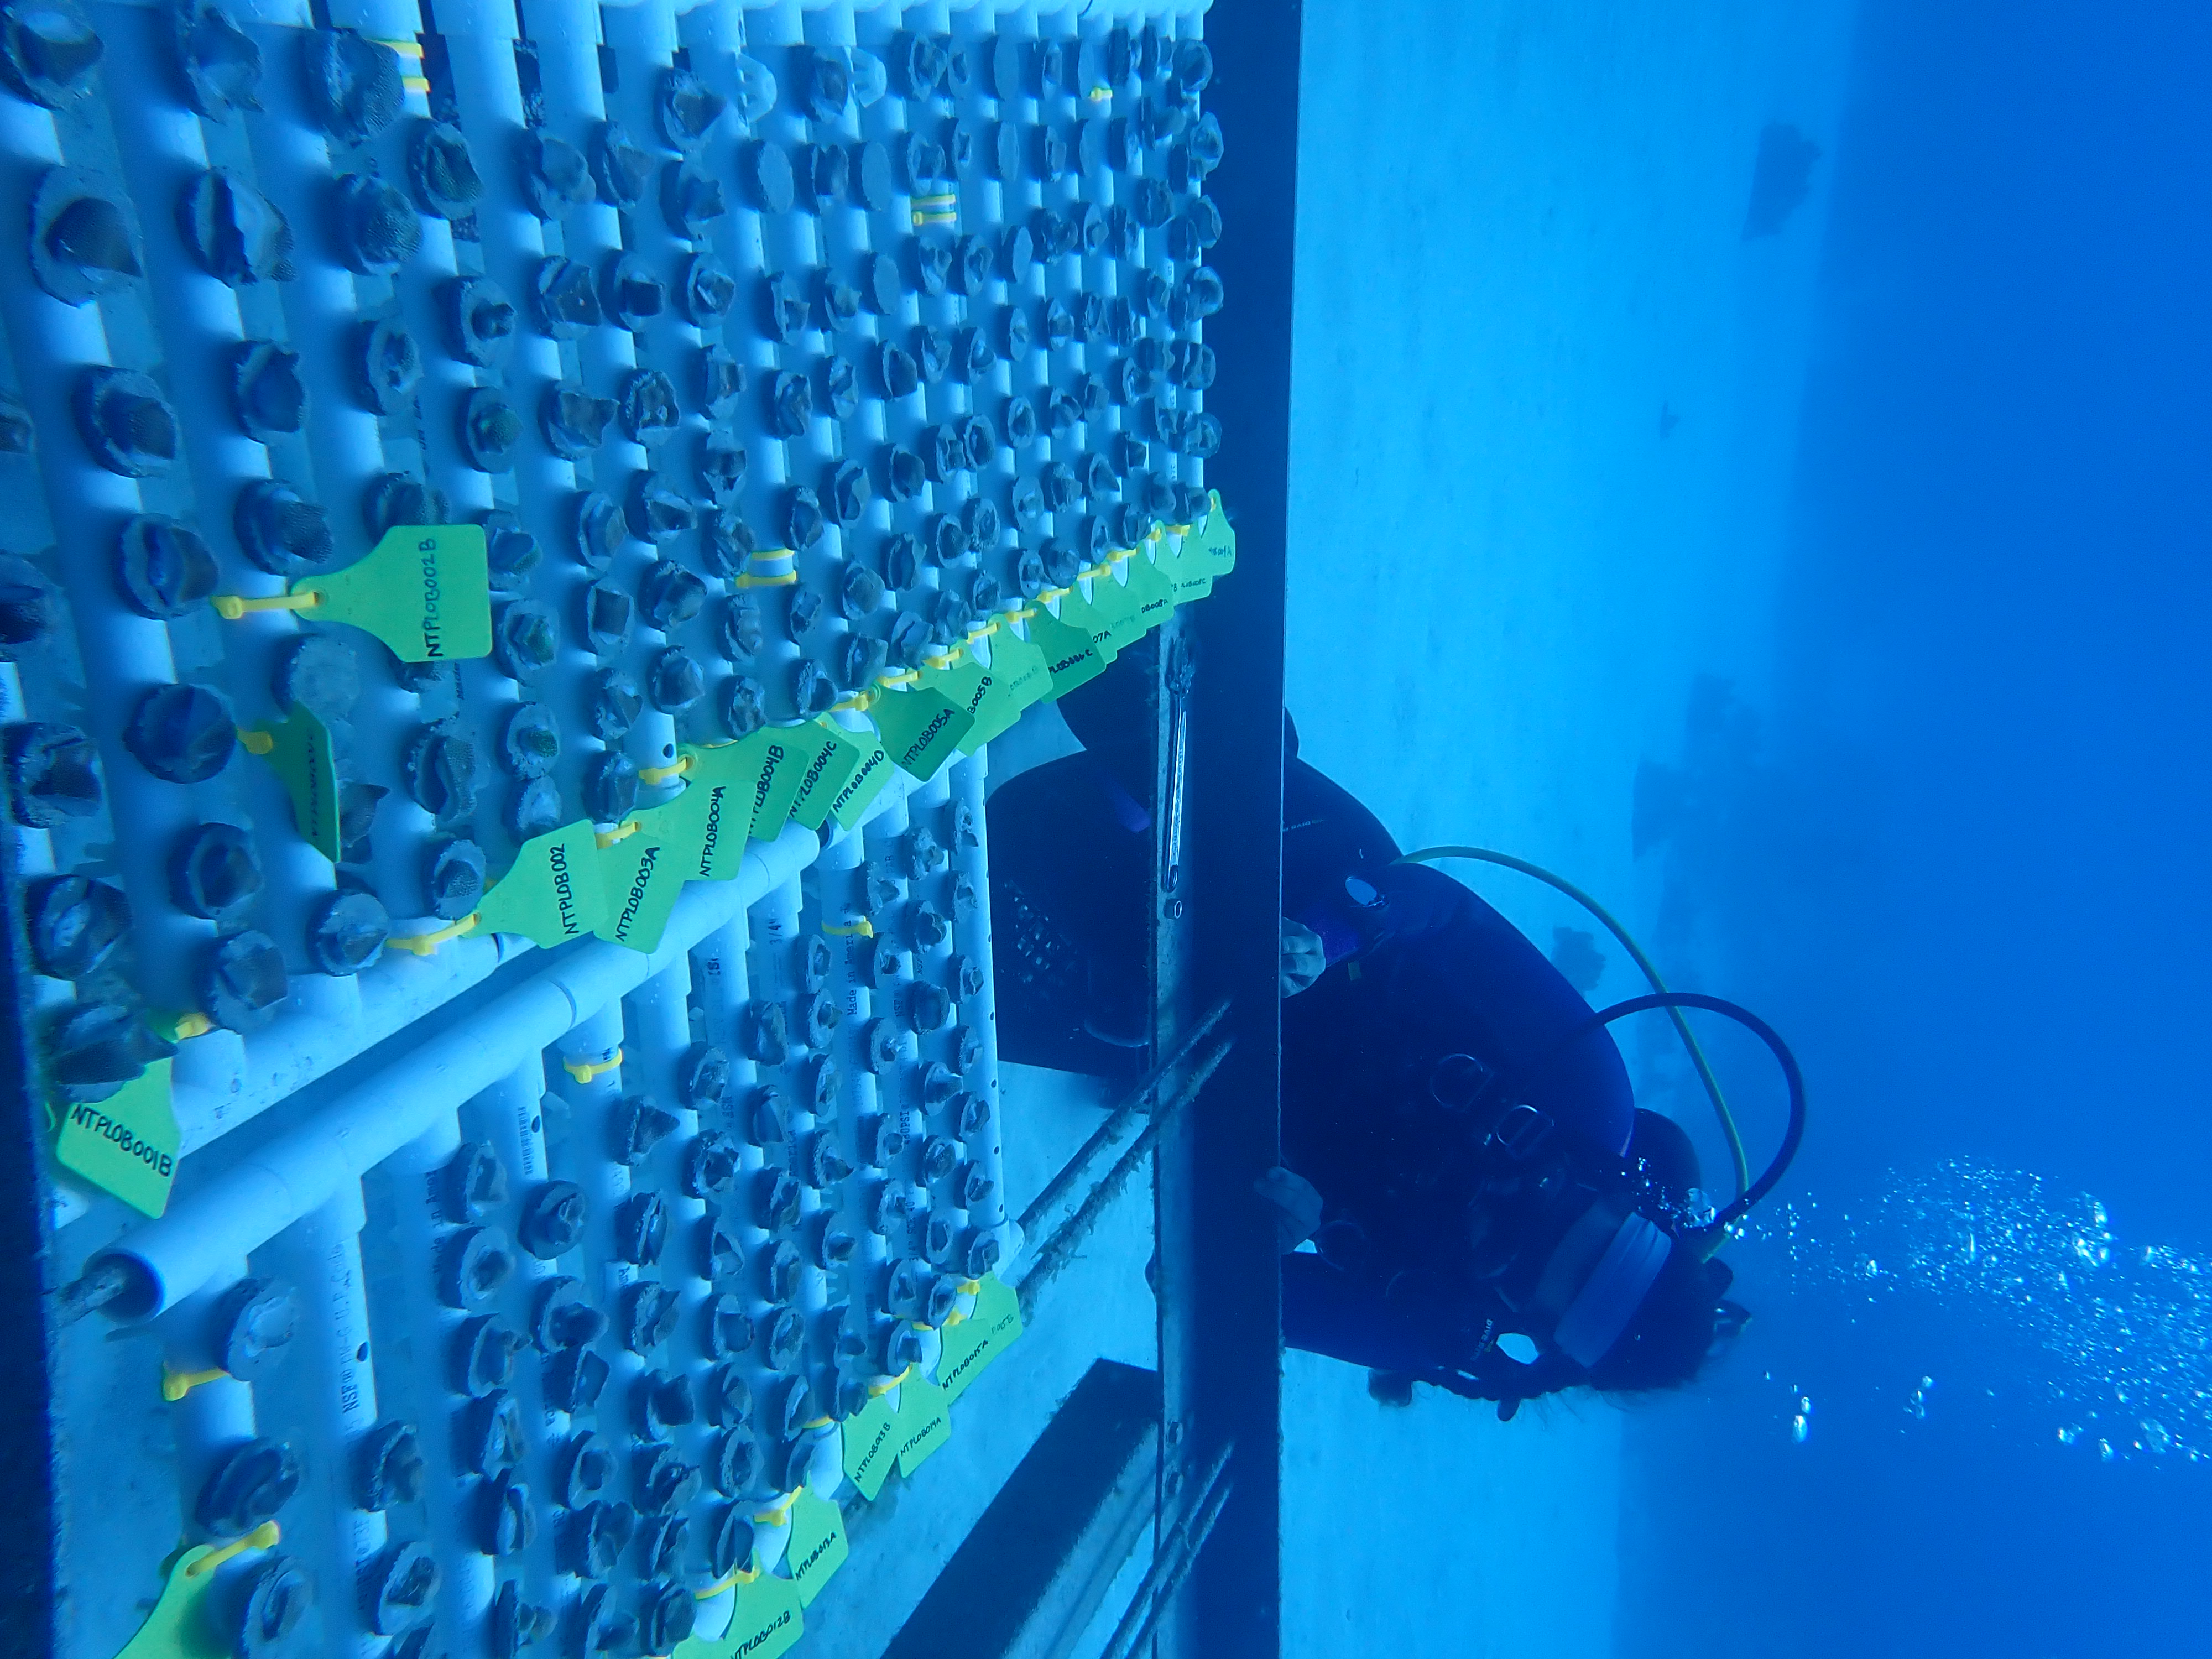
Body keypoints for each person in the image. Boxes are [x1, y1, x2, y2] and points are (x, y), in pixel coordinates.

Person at [987, 643, 1752, 1417]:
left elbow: (1184, 1280)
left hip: (1214, 1040)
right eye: (1574, 1227)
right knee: (1125, 716)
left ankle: (1129, 854)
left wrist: (1262, 1239)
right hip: (1314, 890)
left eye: (1523, 1272)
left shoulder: (1429, 1323)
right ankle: (1196, 753)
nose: (1514, 1226)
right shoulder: (1587, 1093)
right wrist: (1329, 938)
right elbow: (1438, 906)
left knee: (1008, 874)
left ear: (1540, 1337)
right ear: (1626, 1203)